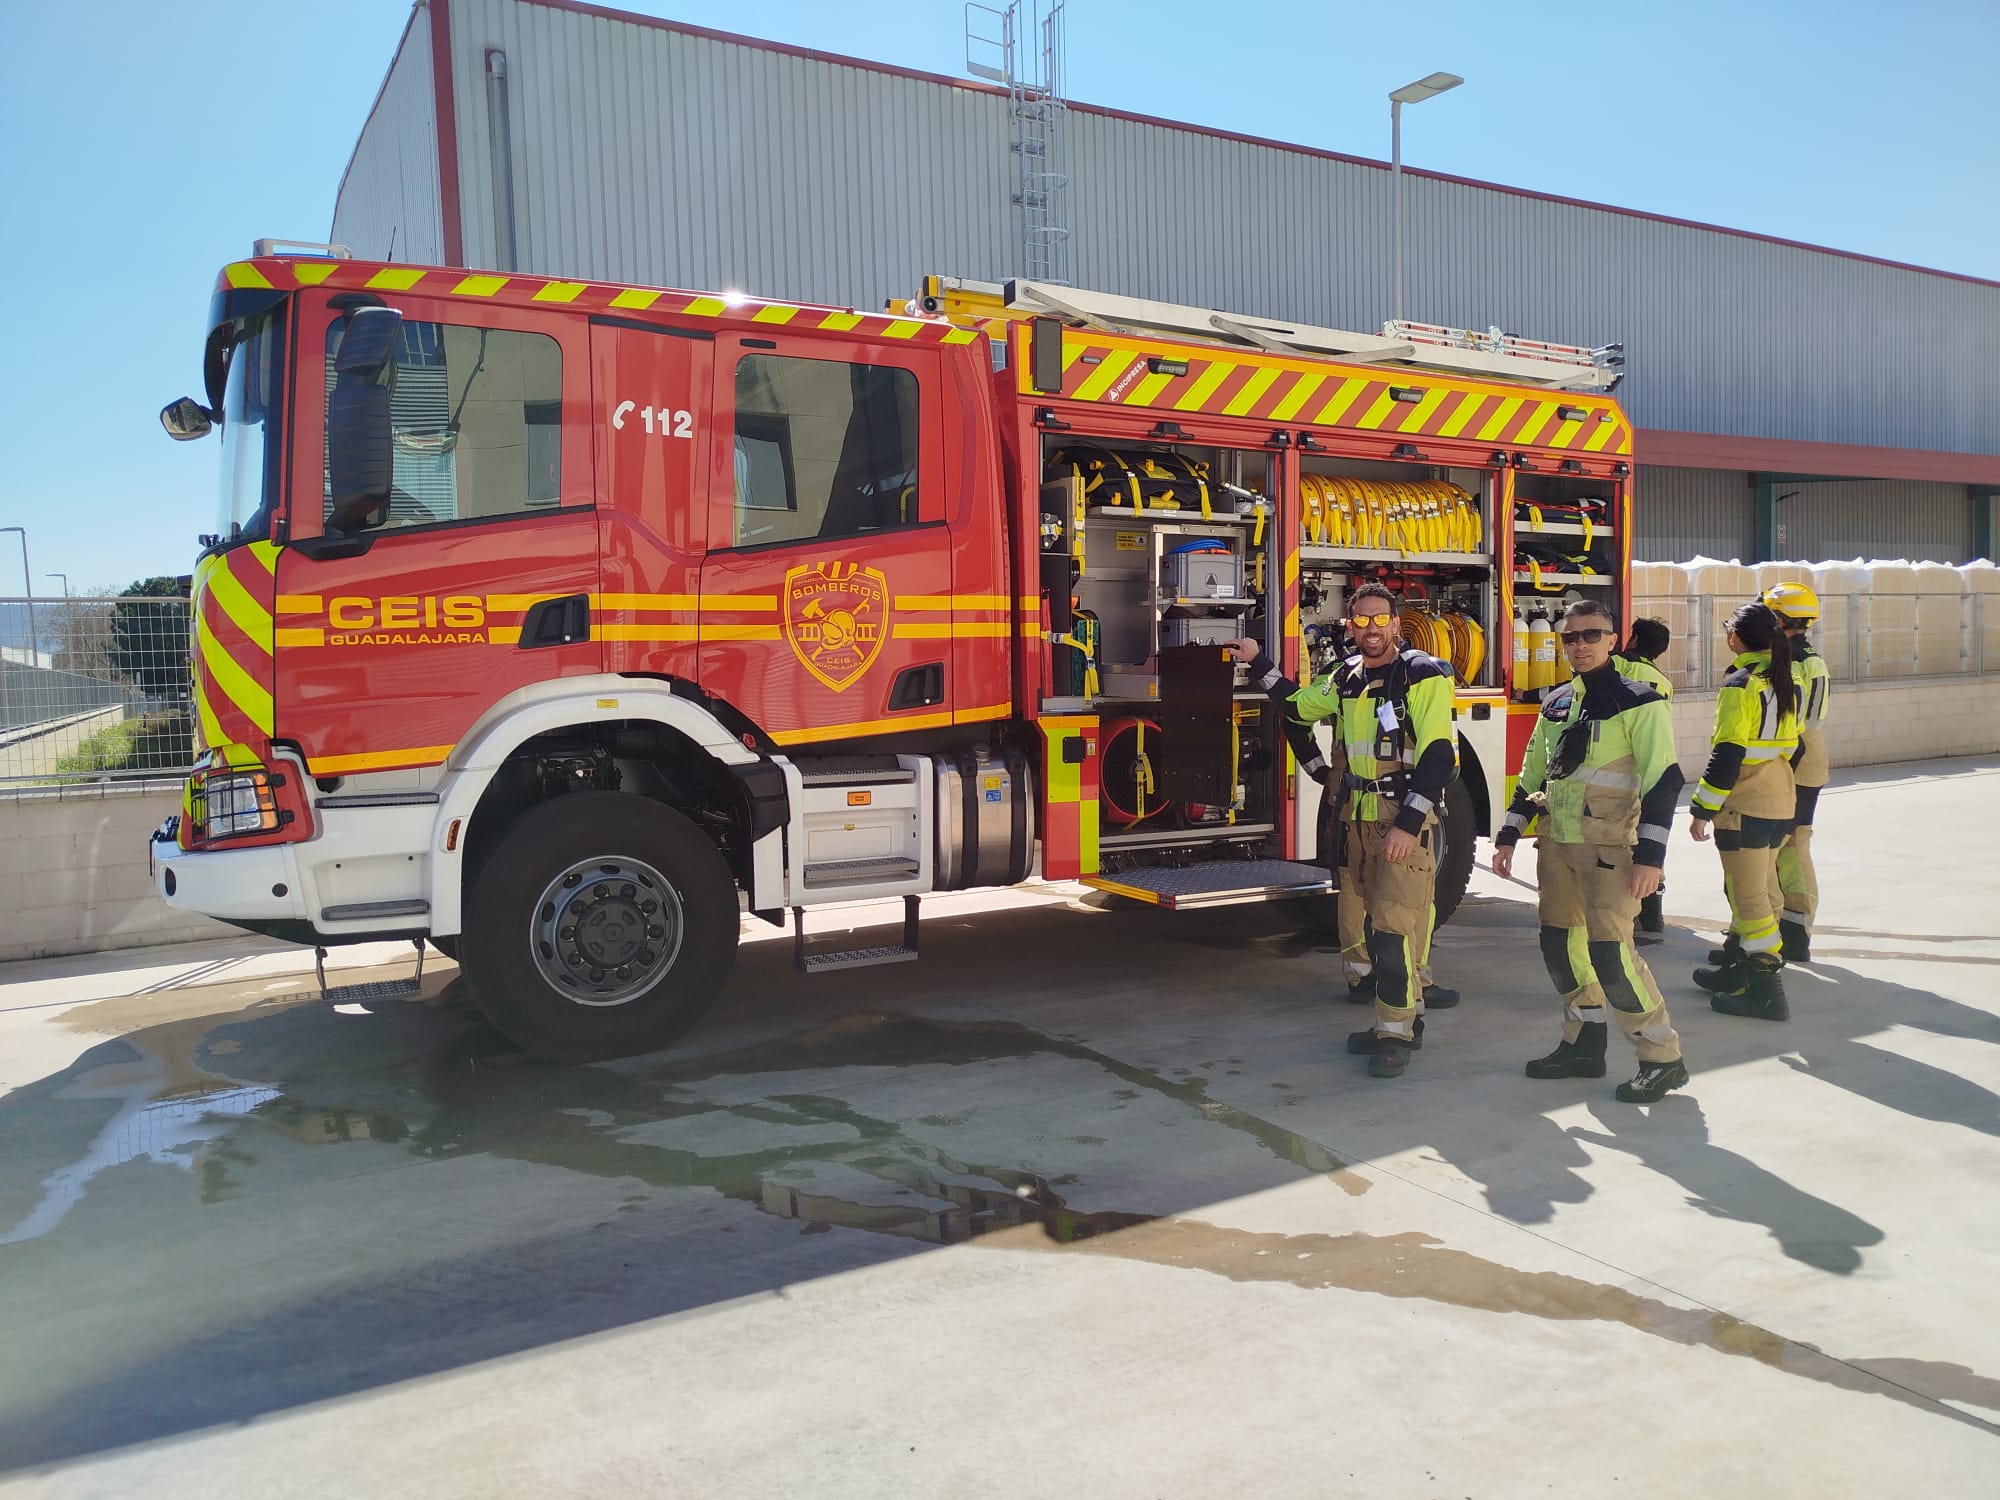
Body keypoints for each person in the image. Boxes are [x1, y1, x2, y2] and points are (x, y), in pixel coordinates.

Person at [1231, 582, 1457, 1078]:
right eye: (1361, 620)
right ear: (1349, 626)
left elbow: (1440, 756)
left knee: (1392, 935)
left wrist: (1409, 824)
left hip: (1399, 824)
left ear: (1396, 624)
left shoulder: (1423, 673)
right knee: (1377, 929)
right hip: (1358, 824)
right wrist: (1258, 660)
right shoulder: (1345, 677)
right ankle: (1407, 1019)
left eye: (1381, 619)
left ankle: (1394, 1035)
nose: (1371, 628)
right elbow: (1297, 708)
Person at [1492, 601, 1689, 1102]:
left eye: (1591, 635)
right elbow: (1533, 773)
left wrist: (1651, 858)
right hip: (1558, 847)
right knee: (1560, 946)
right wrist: (1509, 835)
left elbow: (1664, 780)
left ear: (1612, 640)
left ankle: (1661, 1057)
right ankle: (1583, 1043)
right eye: (1570, 638)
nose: (1580, 645)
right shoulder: (1557, 702)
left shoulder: (1639, 700)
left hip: (1611, 851)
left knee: (1611, 955)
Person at [1688, 602, 1802, 1019]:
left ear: (1735, 637)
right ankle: (1736, 968)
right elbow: (1797, 745)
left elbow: (1728, 752)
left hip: (1746, 804)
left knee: (1749, 897)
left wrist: (1702, 807)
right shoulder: (1789, 677)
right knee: (1757, 890)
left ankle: (1766, 991)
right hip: (1780, 799)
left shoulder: (1741, 683)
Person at [1760, 582, 1829, 962]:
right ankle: (1796, 930)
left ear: (1780, 620)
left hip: (1790, 756)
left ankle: (1762, 931)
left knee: (1766, 848)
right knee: (1796, 843)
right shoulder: (1811, 658)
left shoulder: (1789, 661)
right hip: (1810, 758)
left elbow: (1788, 722)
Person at [1616, 616, 1675, 938]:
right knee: (1646, 837)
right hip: (1649, 767)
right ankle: (1653, 915)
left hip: (1616, 767)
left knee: (1621, 843)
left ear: (1634, 639)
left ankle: (1626, 917)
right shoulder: (1663, 681)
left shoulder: (1617, 667)